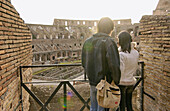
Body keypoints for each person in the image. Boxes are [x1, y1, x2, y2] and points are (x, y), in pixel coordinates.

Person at [82, 17, 121, 111]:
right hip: (105, 83)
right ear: (111, 29)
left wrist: (90, 76)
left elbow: (83, 63)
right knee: (103, 108)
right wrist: (116, 81)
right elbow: (114, 65)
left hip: (92, 82)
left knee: (93, 107)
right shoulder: (109, 42)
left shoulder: (87, 41)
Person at [117, 31, 139, 111]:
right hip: (131, 81)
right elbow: (135, 67)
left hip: (122, 83)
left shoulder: (121, 55)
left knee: (122, 106)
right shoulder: (136, 53)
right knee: (129, 105)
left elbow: (121, 71)